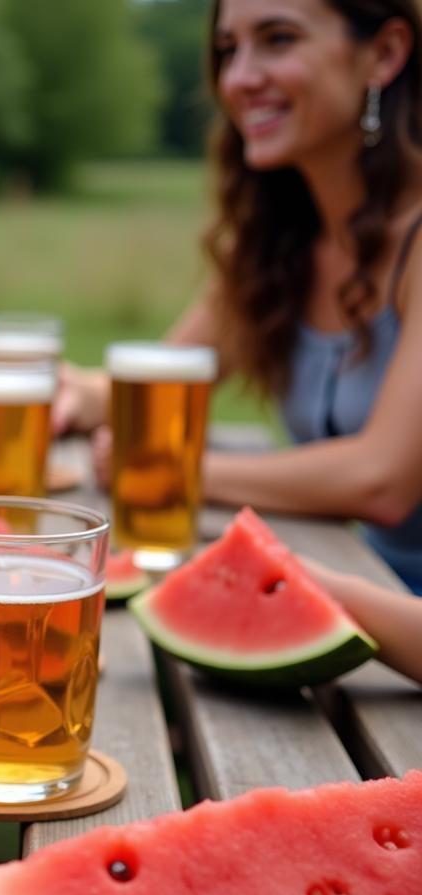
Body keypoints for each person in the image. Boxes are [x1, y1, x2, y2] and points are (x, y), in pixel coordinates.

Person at [54, 0, 422, 595]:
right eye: (229, 50)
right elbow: (165, 375)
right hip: (368, 587)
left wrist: (177, 471)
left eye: (278, 40)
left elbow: (383, 479)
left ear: (385, 53)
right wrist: (77, 394)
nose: (238, 78)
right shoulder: (285, 243)